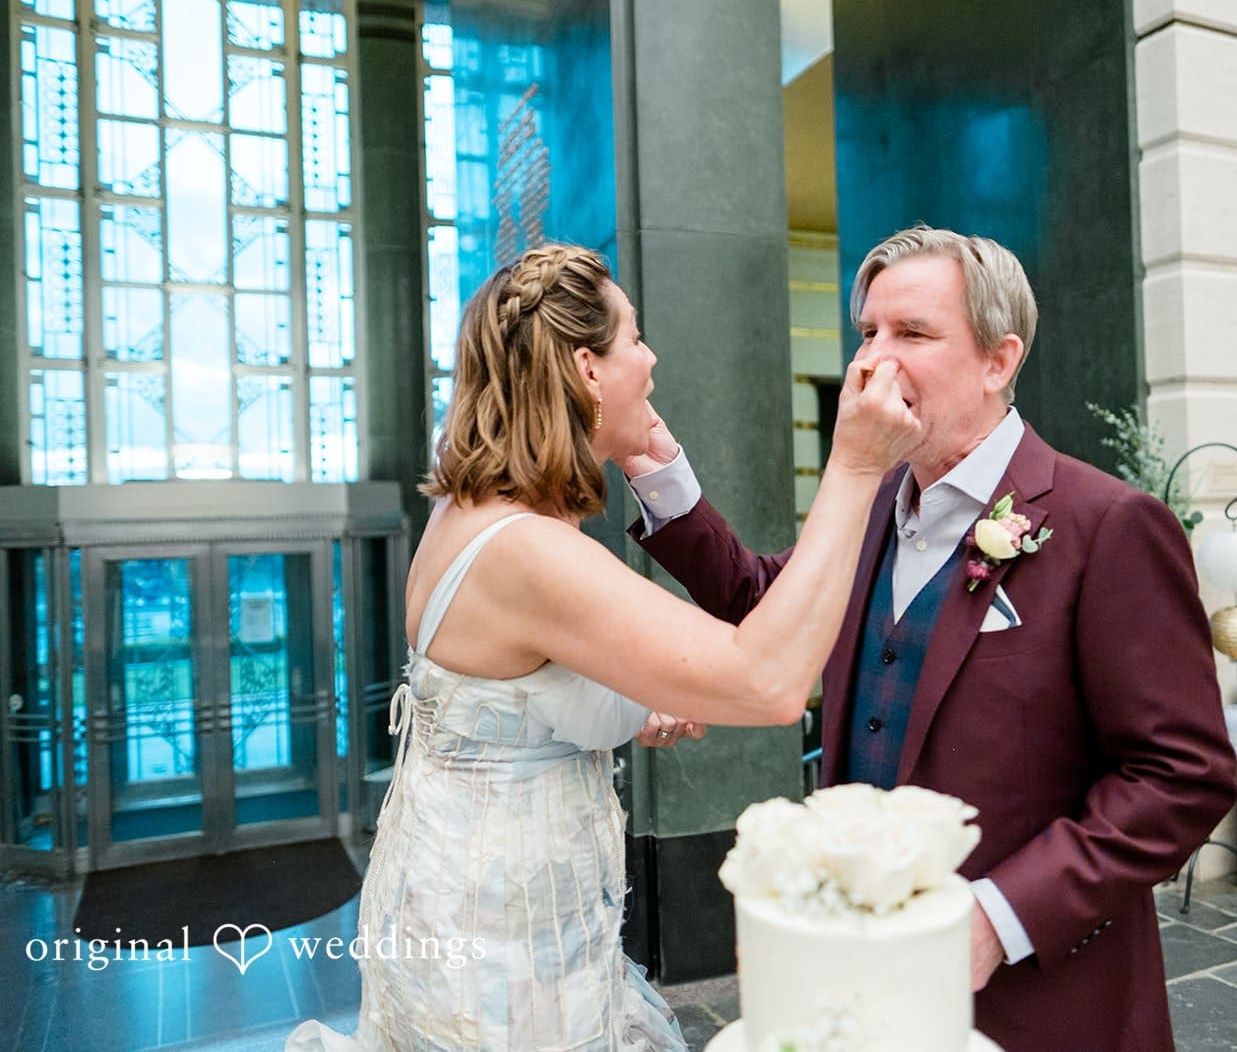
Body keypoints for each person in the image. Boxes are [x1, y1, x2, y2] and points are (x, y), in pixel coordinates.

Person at [286, 243, 920, 1051]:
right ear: (588, 369)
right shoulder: (529, 551)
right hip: (502, 953)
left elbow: (515, 703)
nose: (651, 359)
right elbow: (767, 682)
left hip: (465, 897)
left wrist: (632, 704)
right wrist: (857, 464)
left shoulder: (470, 509)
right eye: (635, 338)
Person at [625, 225, 1237, 1051]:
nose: (875, 361)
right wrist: (661, 475)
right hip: (865, 981)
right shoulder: (875, 500)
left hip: (1043, 998)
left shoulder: (1109, 526)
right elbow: (768, 598)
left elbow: (1183, 776)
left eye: (912, 333)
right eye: (868, 334)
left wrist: (998, 917)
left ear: (998, 360)